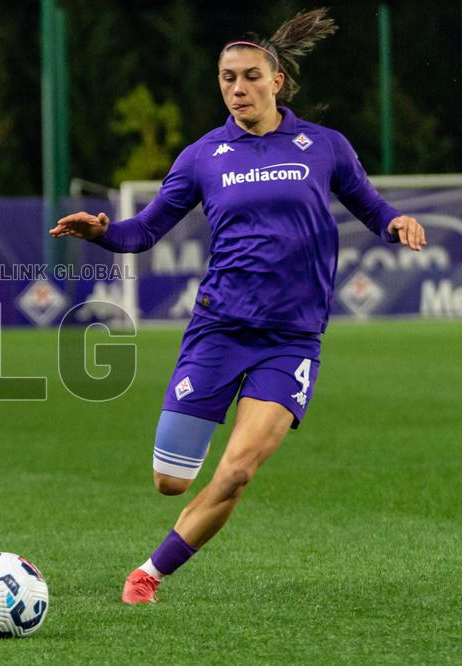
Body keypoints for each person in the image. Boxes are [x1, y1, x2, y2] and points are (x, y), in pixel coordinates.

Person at [50, 8, 426, 604]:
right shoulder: (203, 156)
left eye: (250, 76)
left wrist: (396, 221)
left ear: (276, 81)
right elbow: (143, 233)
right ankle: (168, 531)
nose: (238, 88)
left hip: (291, 340)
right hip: (218, 332)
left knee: (238, 469)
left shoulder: (323, 147)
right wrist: (100, 232)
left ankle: (149, 573)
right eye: (227, 78)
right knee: (170, 481)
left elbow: (372, 206)